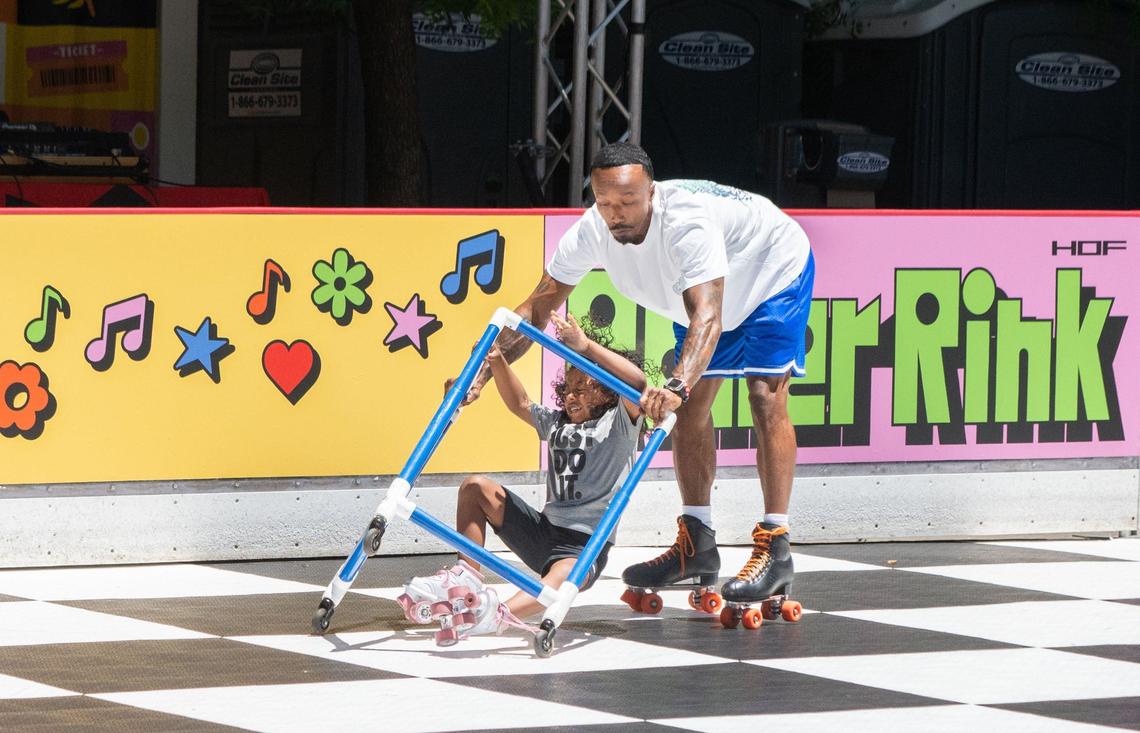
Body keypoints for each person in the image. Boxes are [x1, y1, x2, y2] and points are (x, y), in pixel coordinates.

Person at [458, 141, 815, 612]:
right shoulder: (591, 229)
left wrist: (676, 386)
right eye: (605, 202)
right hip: (701, 294)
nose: (616, 213)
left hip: (771, 270)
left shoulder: (685, 224)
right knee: (688, 410)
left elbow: (708, 316)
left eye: (628, 202)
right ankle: (697, 542)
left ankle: (775, 544)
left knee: (762, 396)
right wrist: (479, 369)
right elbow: (537, 308)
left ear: (652, 193)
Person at [404, 311, 647, 642]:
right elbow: (519, 403)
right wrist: (497, 358)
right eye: (570, 387)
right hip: (542, 532)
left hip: (583, 545)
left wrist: (585, 346)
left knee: (564, 576)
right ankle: (466, 580)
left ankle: (494, 615)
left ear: (606, 392)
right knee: (475, 488)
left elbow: (638, 384)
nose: (572, 395)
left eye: (583, 387)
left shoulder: (619, 424)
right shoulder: (557, 422)